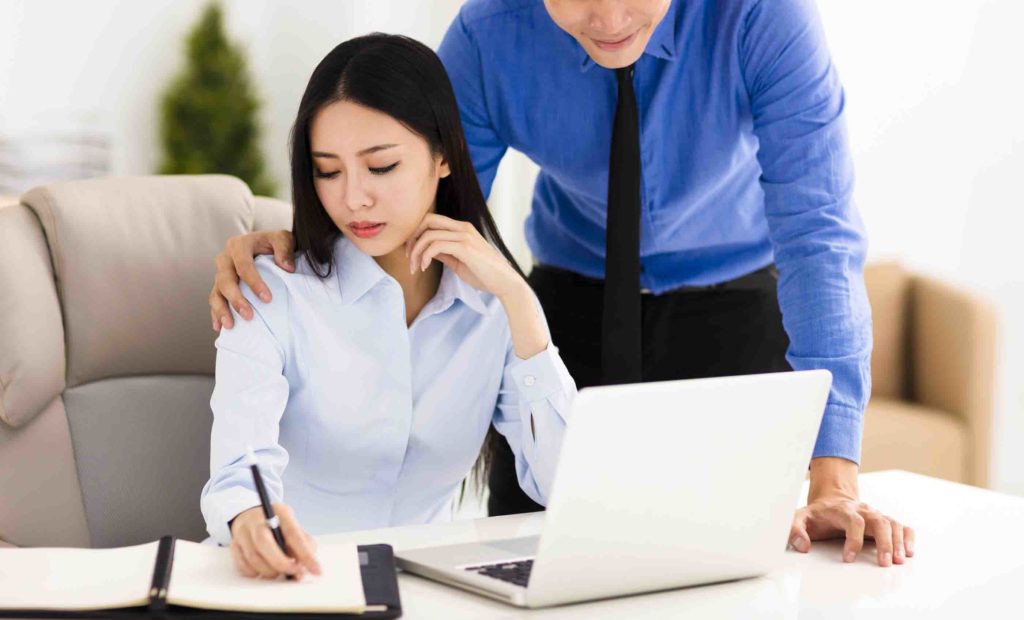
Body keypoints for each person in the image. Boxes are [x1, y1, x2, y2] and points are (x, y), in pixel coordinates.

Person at [208, 0, 914, 568]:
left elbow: (817, 234)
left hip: (734, 299)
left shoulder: (764, 17)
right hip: (568, 301)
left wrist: (835, 478)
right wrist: (289, 242)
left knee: (730, 570)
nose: (608, 20)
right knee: (538, 562)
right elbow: (411, 194)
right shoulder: (490, 35)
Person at [199, 33, 576, 580]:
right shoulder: (270, 292)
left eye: (380, 167)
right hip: (290, 588)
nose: (353, 197)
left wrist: (521, 302)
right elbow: (238, 471)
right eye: (328, 171)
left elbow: (560, 484)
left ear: (443, 155)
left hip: (433, 593)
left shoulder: (491, 305)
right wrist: (252, 519)